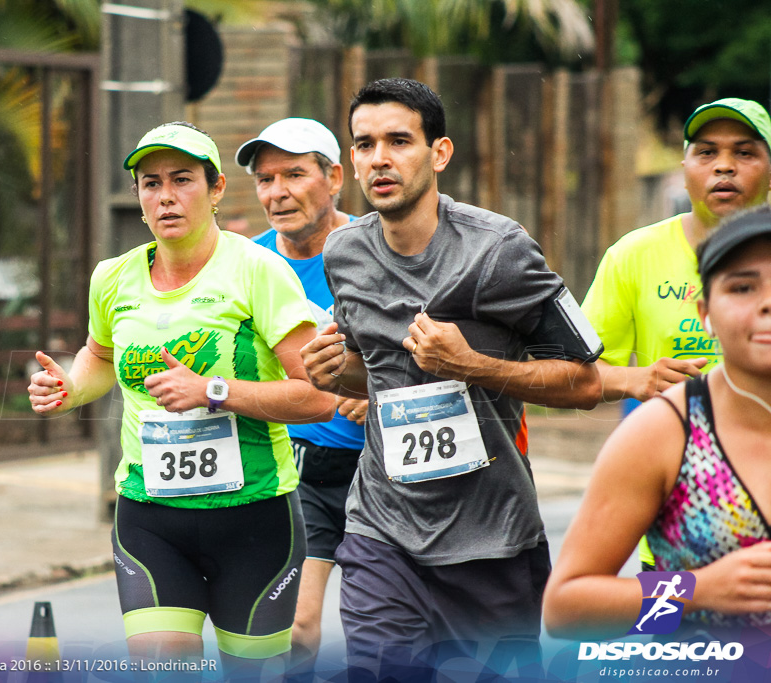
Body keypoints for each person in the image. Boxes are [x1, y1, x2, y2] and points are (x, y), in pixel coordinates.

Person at [299, 78, 603, 675]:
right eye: (364, 144)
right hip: (381, 529)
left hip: (492, 540)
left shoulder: (501, 252)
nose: (379, 158)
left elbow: (586, 383)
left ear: (439, 153)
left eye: (398, 141)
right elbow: (382, 377)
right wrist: (339, 374)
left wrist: (472, 366)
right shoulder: (345, 253)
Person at [27, 122, 335, 676]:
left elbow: (319, 397)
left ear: (216, 190)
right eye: (150, 183)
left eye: (183, 180)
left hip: (255, 517)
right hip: (150, 514)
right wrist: (68, 389)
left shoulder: (259, 271)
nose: (165, 196)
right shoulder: (113, 278)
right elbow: (99, 357)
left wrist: (212, 391)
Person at [544, 204, 771, 639]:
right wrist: (695, 593)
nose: (766, 304)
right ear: (706, 314)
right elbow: (566, 611)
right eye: (742, 287)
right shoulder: (667, 431)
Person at [581, 98, 771, 570]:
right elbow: (569, 371)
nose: (724, 166)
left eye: (745, 152)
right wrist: (637, 379)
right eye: (706, 152)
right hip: (671, 567)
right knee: (664, 638)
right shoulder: (633, 256)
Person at [234, 117, 366, 672]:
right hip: (299, 467)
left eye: (294, 174)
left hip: (382, 466)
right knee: (300, 629)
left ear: (333, 177)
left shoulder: (376, 249)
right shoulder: (248, 264)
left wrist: (374, 388)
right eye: (265, 179)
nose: (277, 192)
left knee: (390, 631)